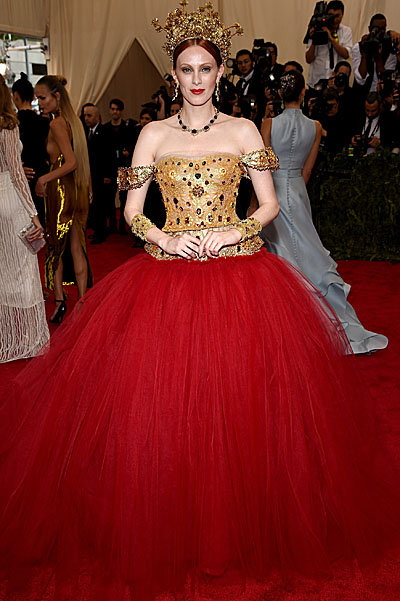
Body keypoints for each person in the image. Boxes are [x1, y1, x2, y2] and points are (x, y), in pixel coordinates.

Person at [0, 4, 398, 601]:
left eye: (205, 69)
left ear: (219, 73)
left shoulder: (243, 131)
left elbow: (269, 203)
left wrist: (236, 229)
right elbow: (132, 212)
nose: (195, 79)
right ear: (173, 74)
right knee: (165, 407)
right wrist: (164, 237)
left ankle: (243, 521)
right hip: (167, 276)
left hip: (242, 276)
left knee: (242, 401)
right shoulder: (152, 135)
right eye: (186, 70)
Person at [260, 70, 388, 353]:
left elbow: (263, 169)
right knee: (308, 252)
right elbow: (307, 172)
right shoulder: (316, 127)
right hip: (298, 191)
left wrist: (262, 201)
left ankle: (286, 325)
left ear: (280, 94)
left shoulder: (268, 124)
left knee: (281, 254)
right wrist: (296, 194)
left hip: (273, 192)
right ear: (304, 93)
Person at [34, 75, 92, 323]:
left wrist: (43, 179)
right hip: (78, 190)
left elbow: (71, 162)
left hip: (60, 191)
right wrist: (88, 189)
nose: (39, 103)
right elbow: (82, 162)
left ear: (56, 96)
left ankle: (59, 301)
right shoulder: (74, 122)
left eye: (42, 98)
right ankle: (83, 300)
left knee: (55, 249)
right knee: (77, 247)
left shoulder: (57, 123)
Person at [0, 74, 49, 362]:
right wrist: (34, 215)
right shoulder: (7, 125)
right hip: (10, 200)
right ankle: (30, 339)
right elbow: (18, 176)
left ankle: (7, 337)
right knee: (24, 269)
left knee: (3, 269)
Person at [11, 73, 50, 226]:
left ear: (15, 96)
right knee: (42, 217)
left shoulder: (12, 124)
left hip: (21, 175)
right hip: (42, 174)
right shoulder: (44, 122)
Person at [103, 98, 137, 234]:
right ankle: (112, 225)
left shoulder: (128, 127)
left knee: (124, 198)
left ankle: (122, 226)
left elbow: (134, 145)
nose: (115, 112)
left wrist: (128, 151)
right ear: (109, 110)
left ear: (121, 111)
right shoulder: (105, 128)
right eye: (113, 109)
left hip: (124, 168)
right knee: (109, 199)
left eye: (117, 109)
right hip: (111, 168)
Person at [84, 104, 114, 244]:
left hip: (102, 176)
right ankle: (97, 230)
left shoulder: (105, 131)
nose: (86, 118)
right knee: (94, 205)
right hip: (91, 175)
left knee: (101, 205)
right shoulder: (86, 132)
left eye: (89, 115)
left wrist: (108, 175)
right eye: (85, 115)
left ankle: (101, 233)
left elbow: (110, 155)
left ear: (97, 117)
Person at [305, 0, 352, 89]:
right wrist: (315, 39)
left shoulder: (346, 31)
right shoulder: (317, 28)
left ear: (342, 15)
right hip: (316, 81)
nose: (334, 19)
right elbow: (308, 59)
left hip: (336, 83)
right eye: (331, 15)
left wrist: (330, 38)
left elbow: (346, 55)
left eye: (337, 16)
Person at [352, 14, 399, 98]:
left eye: (382, 29)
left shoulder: (389, 48)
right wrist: (364, 53)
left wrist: (378, 56)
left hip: (382, 96)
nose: (380, 32)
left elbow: (385, 77)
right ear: (369, 29)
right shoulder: (358, 47)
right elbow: (360, 79)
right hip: (362, 95)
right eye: (376, 28)